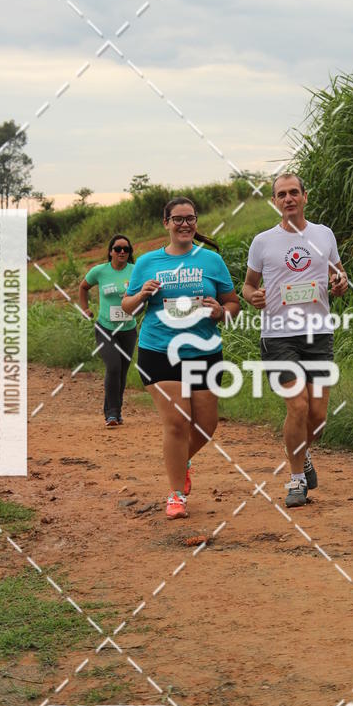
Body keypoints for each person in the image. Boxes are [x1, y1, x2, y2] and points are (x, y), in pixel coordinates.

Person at [122, 197, 239, 520]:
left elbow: (233, 303)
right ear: (166, 223)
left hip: (204, 351)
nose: (184, 224)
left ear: (196, 222)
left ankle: (181, 462)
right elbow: (127, 307)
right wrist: (142, 294)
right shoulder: (147, 262)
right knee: (177, 422)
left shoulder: (212, 261)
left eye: (190, 218)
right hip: (159, 350)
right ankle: (175, 495)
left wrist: (220, 312)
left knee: (206, 424)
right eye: (177, 219)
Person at [243, 172, 348, 508]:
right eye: (281, 194)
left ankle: (301, 454)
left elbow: (338, 273)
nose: (288, 199)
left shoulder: (324, 234)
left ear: (305, 196)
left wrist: (340, 283)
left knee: (317, 415)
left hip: (318, 333)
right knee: (298, 405)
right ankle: (296, 481)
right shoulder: (263, 242)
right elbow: (247, 286)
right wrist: (252, 297)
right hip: (278, 335)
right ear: (275, 202)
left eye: (293, 193)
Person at [79, 234, 137, 427]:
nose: (122, 252)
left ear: (129, 253)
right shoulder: (100, 271)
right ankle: (111, 414)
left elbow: (145, 292)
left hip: (128, 329)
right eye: (118, 248)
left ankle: (116, 412)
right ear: (110, 251)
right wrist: (85, 308)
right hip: (105, 328)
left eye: (126, 249)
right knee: (113, 367)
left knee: (122, 372)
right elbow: (84, 287)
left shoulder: (135, 271)